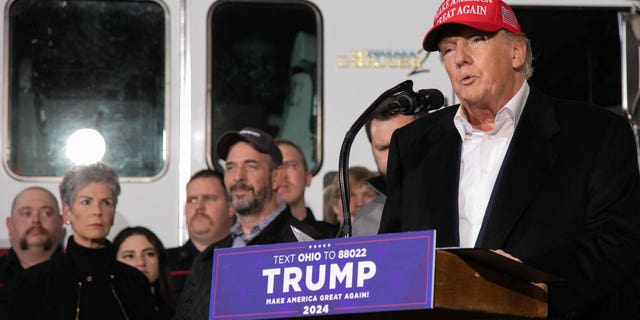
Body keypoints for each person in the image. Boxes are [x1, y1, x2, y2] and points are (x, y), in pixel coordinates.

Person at [378, 0, 640, 318]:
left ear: (516, 53)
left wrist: (527, 278)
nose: (460, 58)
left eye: (476, 40)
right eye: (448, 49)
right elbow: (392, 254)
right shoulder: (413, 143)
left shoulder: (594, 134)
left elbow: (616, 244)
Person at [175, 128, 322, 320]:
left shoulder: (307, 248)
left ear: (276, 177)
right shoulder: (208, 260)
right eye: (231, 168)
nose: (238, 177)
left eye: (251, 166)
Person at [14, 163, 156, 320]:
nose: (97, 211)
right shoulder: (35, 282)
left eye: (106, 202)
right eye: (86, 202)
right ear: (68, 213)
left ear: (113, 212)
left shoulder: (135, 282)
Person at [351, 96, 428, 236]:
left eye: (402, 144)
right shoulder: (365, 221)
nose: (393, 156)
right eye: (383, 148)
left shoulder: (460, 198)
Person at [167, 169, 234, 298]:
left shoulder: (247, 259)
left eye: (209, 198)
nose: (198, 207)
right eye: (192, 200)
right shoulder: (164, 262)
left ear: (231, 207)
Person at [0, 187, 64, 317]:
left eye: (46, 213)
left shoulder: (78, 278)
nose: (36, 220)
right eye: (26, 213)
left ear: (60, 223)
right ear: (10, 225)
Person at [275, 138, 338, 238]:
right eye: (275, 168)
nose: (283, 175)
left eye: (291, 166)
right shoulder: (249, 241)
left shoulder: (335, 238)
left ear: (308, 178)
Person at [114, 226, 175, 320]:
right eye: (129, 256)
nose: (141, 262)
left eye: (149, 254)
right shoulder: (105, 307)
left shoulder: (181, 306)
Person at [330, 166, 378, 237]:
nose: (360, 203)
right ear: (336, 206)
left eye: (367, 195)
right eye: (351, 196)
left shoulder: (394, 240)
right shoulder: (322, 243)